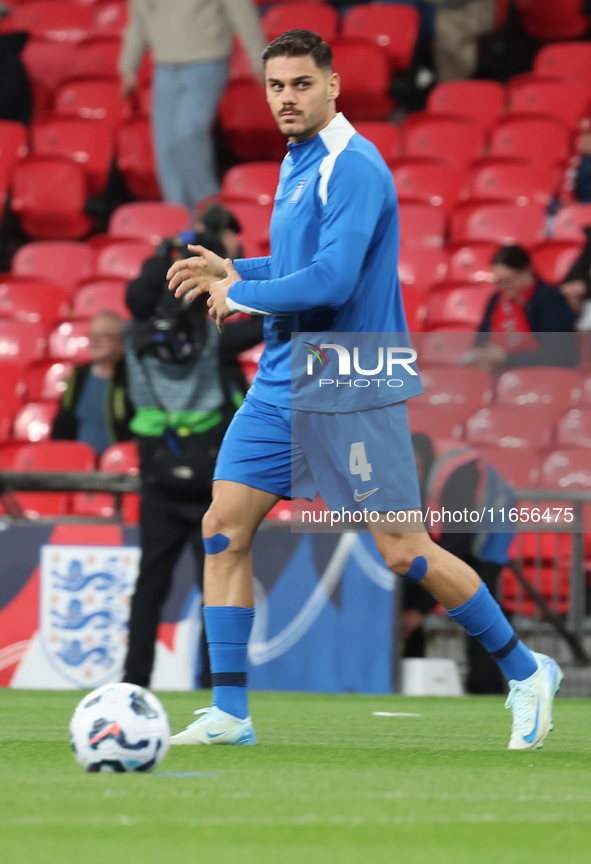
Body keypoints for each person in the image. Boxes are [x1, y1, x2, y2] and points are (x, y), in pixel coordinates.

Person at [167, 30, 562, 751]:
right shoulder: (297, 161)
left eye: (301, 85)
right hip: (287, 374)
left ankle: (525, 667)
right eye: (276, 86)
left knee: (404, 551)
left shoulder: (352, 166)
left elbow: (334, 281)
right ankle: (230, 711)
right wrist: (239, 267)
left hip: (350, 375)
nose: (287, 98)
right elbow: (300, 259)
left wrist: (244, 294)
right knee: (223, 527)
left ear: (332, 86)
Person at [122, 228, 263, 690]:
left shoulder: (132, 340)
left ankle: (133, 682)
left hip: (158, 473)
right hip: (209, 476)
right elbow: (264, 324)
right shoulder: (211, 339)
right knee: (216, 581)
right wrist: (233, 275)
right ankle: (212, 684)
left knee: (150, 586)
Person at [118, 0, 266, 210]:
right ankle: (181, 222)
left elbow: (242, 11)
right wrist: (128, 66)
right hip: (164, 67)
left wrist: (259, 60)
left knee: (188, 136)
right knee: (166, 150)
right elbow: (139, 18)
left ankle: (212, 216)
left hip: (207, 61)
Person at [404, 434, 513, 694]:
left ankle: (484, 683)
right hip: (453, 527)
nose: (414, 474)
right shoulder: (420, 473)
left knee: (478, 598)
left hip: (489, 528)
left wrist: (420, 609)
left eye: (417, 467)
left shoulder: (457, 471)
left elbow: (458, 543)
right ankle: (409, 664)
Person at [466, 244, 579, 374]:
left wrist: (507, 358)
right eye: (498, 282)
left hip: (539, 376)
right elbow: (480, 342)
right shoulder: (496, 300)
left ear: (527, 271)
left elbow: (559, 356)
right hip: (496, 372)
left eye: (508, 280)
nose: (502, 287)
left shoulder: (549, 300)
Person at [51, 311, 134, 455]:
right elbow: (62, 424)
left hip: (118, 466)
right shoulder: (78, 376)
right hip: (78, 466)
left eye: (104, 336)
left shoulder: (131, 378)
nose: (96, 341)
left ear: (121, 343)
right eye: (92, 336)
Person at [425, 0, 496, 82]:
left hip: (467, 9)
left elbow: (454, 2)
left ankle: (453, 88)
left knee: (448, 35)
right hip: (437, 8)